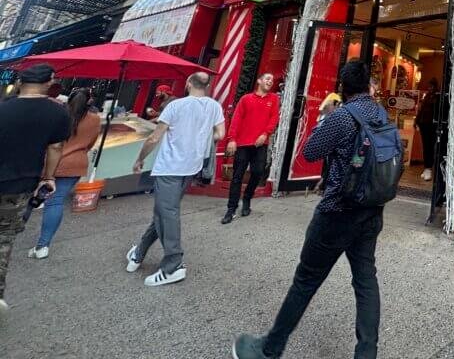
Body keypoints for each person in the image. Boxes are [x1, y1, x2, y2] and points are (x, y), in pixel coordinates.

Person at [234, 60, 387, 359]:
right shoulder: (380, 113)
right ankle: (367, 353)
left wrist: (326, 120)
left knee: (305, 280)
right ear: (368, 84)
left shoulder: (342, 116)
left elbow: (310, 151)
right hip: (371, 209)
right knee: (366, 280)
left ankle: (269, 349)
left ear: (343, 87)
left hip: (337, 211)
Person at [125, 71, 224, 287]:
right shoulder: (214, 106)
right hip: (191, 167)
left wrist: (140, 159)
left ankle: (173, 264)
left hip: (170, 167)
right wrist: (199, 137)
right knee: (164, 211)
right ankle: (139, 251)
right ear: (206, 87)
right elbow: (219, 134)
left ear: (188, 83)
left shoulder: (175, 106)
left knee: (167, 213)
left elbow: (154, 137)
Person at [0, 64, 70, 311]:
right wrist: (48, 177)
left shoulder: (4, 106)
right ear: (50, 82)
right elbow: (55, 147)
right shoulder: (57, 113)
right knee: (3, 238)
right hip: (19, 184)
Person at [27, 89, 101, 259]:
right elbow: (90, 143)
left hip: (49, 161)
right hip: (75, 163)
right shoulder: (95, 120)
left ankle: (12, 231)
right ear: (89, 101)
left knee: (32, 197)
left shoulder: (57, 114)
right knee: (55, 201)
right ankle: (43, 246)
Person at [223, 72, 280, 224]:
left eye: (272, 80)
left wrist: (265, 134)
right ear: (259, 81)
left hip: (260, 144)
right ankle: (231, 208)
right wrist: (232, 139)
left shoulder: (274, 99)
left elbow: (274, 118)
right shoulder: (246, 99)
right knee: (237, 176)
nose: (270, 81)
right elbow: (236, 119)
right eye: (268, 78)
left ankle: (247, 197)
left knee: (257, 172)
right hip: (242, 143)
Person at [415, 79, 439, 182]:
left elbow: (435, 111)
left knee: (430, 146)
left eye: (431, 86)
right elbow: (421, 110)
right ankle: (426, 168)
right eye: (429, 86)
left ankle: (428, 168)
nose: (429, 88)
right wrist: (416, 121)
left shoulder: (436, 97)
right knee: (426, 146)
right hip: (424, 124)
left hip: (431, 125)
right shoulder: (427, 96)